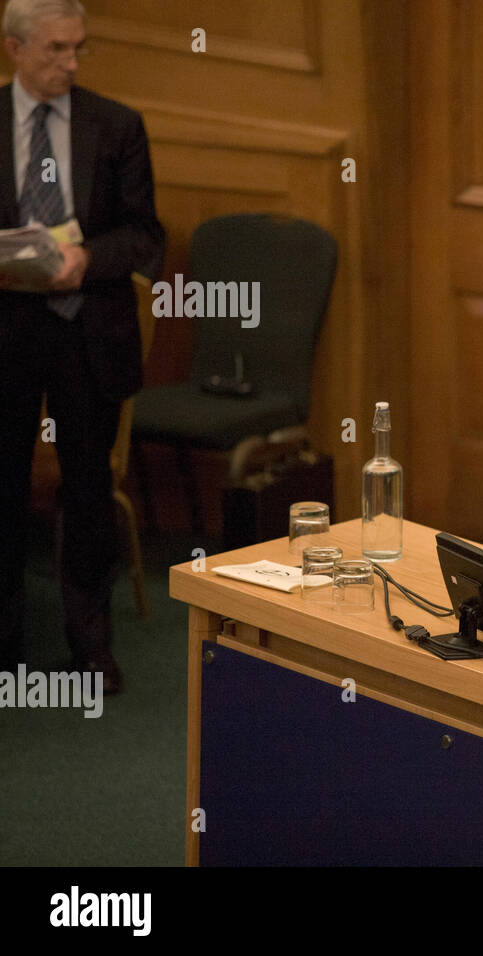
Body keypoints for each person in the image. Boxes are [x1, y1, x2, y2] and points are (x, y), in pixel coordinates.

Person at [0, 0, 164, 693]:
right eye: (55, 50)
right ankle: (5, 645)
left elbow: (144, 237)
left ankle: (91, 649)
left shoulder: (116, 126)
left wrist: (86, 261)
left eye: (79, 49)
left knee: (89, 492)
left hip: (86, 332)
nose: (70, 63)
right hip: (7, 331)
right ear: (14, 49)